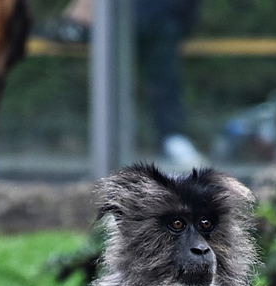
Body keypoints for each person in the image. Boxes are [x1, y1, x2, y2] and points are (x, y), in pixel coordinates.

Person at [44, 0, 206, 166]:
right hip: (143, 21)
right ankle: (168, 139)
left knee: (154, 72)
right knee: (124, 72)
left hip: (151, 21)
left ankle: (170, 138)